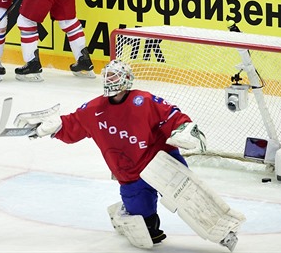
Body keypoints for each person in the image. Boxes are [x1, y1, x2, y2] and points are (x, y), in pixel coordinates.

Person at [13, 59, 209, 247]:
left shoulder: (145, 101)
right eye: (108, 77)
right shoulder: (94, 109)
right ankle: (126, 211)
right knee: (147, 230)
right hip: (131, 174)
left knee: (192, 200)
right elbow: (74, 125)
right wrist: (56, 127)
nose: (110, 81)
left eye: (115, 77)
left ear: (127, 79)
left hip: (160, 162)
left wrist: (185, 128)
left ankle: (222, 229)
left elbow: (172, 116)